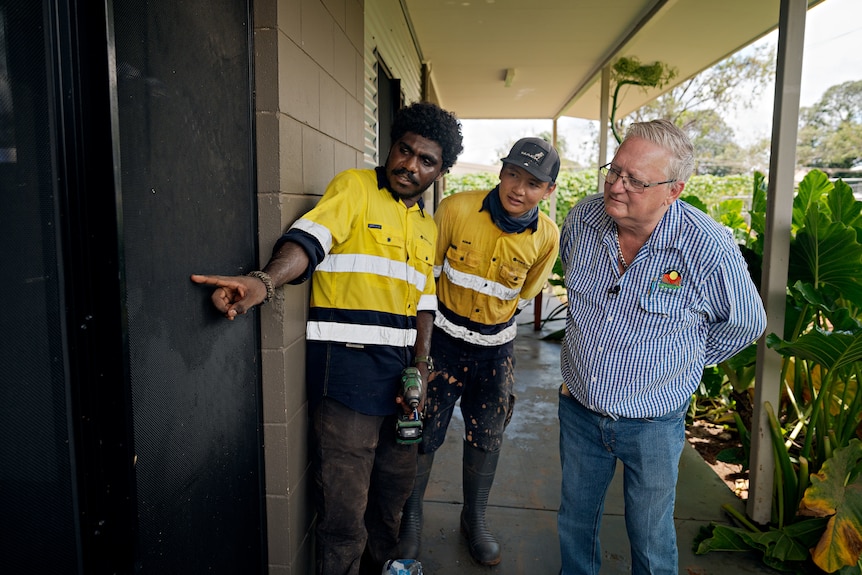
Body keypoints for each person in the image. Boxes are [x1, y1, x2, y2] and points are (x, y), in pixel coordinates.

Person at [190, 101, 464, 575]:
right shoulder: (355, 188)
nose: (410, 165)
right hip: (347, 381)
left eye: (426, 161)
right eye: (405, 150)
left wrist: (421, 365)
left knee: (390, 507)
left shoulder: (426, 225)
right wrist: (264, 283)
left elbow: (424, 300)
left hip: (402, 387)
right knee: (343, 518)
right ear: (392, 145)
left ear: (440, 173)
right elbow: (308, 243)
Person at [556, 119, 766, 575]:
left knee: (651, 539)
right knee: (574, 522)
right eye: (614, 171)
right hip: (580, 409)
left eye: (635, 180)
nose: (616, 186)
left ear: (674, 190)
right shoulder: (582, 219)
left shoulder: (705, 246)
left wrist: (683, 362)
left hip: (651, 422)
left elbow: (747, 322)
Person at [398, 137, 561, 566]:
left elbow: (523, 294)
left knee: (488, 435)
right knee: (423, 430)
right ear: (501, 172)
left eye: (532, 183)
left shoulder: (546, 238)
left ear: (548, 191)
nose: (517, 189)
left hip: (495, 351)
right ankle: (411, 517)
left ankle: (475, 518)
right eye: (512, 175)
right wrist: (421, 349)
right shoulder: (455, 209)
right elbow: (425, 279)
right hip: (443, 344)